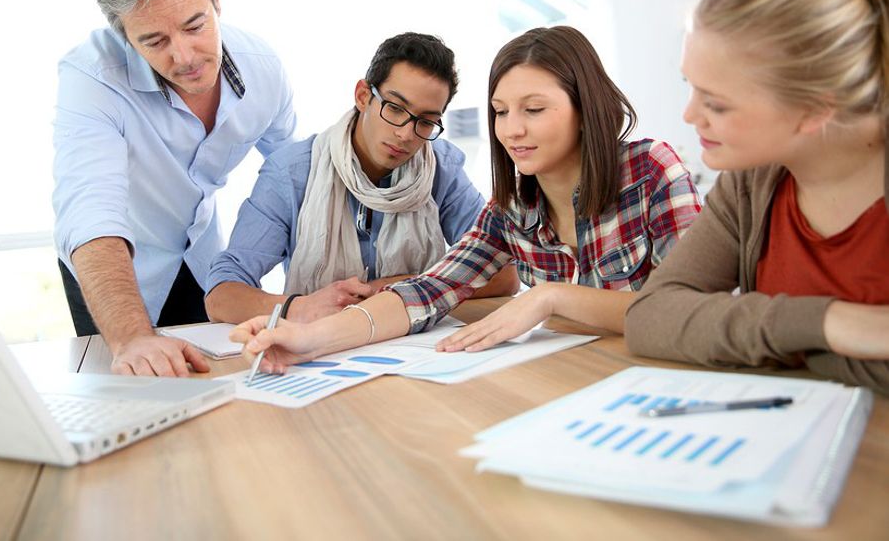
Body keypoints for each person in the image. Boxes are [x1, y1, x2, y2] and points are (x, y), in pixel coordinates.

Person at [230, 26, 701, 372]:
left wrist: (551, 297)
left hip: (662, 378)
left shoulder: (651, 170)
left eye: (534, 109)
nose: (512, 130)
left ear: (585, 108)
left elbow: (690, 311)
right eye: (500, 112)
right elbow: (426, 291)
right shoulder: (511, 209)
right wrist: (309, 339)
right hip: (570, 381)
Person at [625, 0, 889, 393]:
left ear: (814, 110)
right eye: (691, 86)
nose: (690, 115)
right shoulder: (751, 182)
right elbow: (650, 317)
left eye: (716, 104)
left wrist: (758, 341)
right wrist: (828, 323)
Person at [52, 0, 297, 377]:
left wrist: (307, 301)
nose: (184, 56)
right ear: (126, 37)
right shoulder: (91, 78)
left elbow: (294, 180)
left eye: (194, 26)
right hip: (114, 268)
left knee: (217, 379)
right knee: (133, 385)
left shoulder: (263, 69)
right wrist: (131, 338)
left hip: (201, 256)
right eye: (154, 41)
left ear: (216, 1)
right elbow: (90, 208)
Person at [204, 33, 519, 324]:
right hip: (320, 342)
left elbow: (504, 274)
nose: (406, 134)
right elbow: (222, 293)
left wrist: (396, 289)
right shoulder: (292, 173)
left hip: (411, 342)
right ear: (363, 96)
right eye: (395, 108)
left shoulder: (441, 167)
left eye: (426, 122)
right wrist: (299, 307)